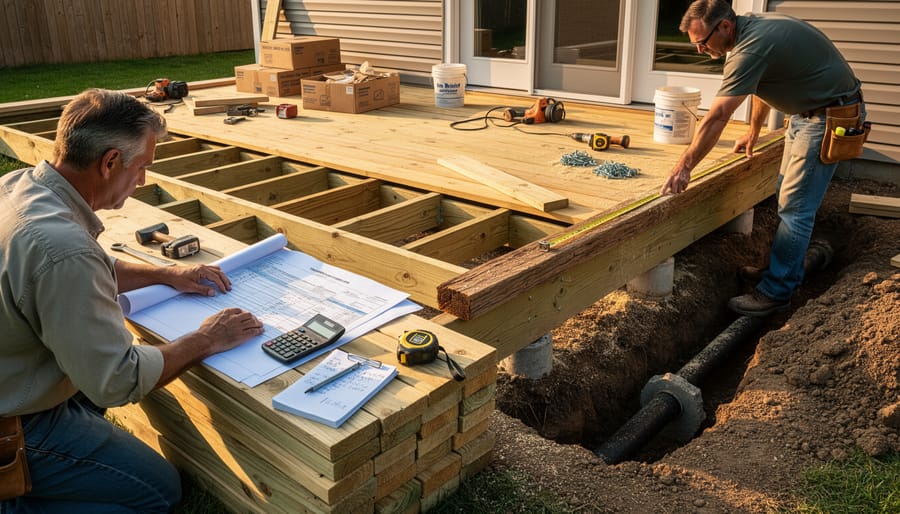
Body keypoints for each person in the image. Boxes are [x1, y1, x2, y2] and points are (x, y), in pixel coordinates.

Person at [0, 89, 264, 512]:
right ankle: (13, 499)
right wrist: (207, 339)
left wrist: (168, 274)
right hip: (14, 424)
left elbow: (86, 268)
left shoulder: (20, 187)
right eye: (141, 167)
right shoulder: (63, 248)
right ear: (109, 163)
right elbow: (116, 381)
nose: (143, 181)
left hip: (11, 372)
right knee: (158, 491)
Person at [661, 0, 865, 317]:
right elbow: (762, 84)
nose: (700, 50)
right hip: (807, 113)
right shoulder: (750, 32)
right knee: (788, 195)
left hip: (829, 117)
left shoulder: (750, 48)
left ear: (725, 26)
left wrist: (684, 165)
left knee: (796, 208)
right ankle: (782, 269)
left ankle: (776, 291)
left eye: (702, 42)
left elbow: (716, 117)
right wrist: (754, 131)